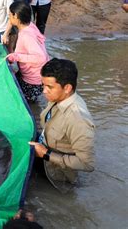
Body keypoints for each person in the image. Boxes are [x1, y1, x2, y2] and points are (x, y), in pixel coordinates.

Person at [29, 58, 95, 188]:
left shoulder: (78, 120)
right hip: (44, 148)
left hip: (55, 173)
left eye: (49, 87)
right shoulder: (58, 97)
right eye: (43, 85)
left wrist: (46, 155)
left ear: (67, 88)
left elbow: (87, 164)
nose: (44, 91)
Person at [6, 0, 49, 103]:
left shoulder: (26, 35)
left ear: (15, 16)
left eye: (9, 15)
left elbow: (41, 57)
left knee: (24, 104)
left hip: (33, 80)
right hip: (32, 74)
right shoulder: (30, 25)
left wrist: (16, 56)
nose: (8, 17)